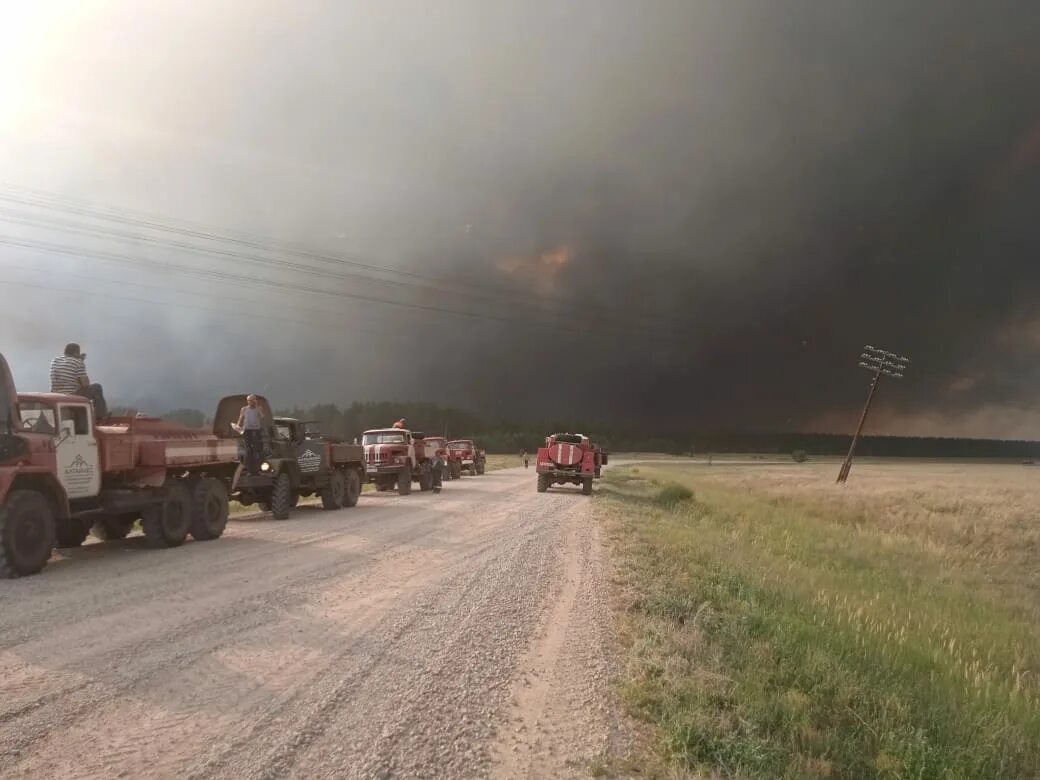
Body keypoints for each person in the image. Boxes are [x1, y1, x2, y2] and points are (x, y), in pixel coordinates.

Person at [50, 342, 108, 421]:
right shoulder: (78, 362)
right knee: (97, 387)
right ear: (76, 352)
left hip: (55, 395)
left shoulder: (55, 361)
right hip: (71, 395)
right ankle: (100, 416)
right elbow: (85, 384)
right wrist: (81, 362)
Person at [236, 394, 266, 475]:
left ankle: (259, 469)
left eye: (252, 400)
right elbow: (240, 418)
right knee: (249, 451)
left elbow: (263, 417)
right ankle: (250, 470)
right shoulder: (244, 409)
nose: (250, 402)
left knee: (258, 450)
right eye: (249, 400)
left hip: (256, 430)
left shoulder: (259, 408)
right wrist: (238, 426)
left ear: (255, 400)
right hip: (247, 431)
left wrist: (257, 408)